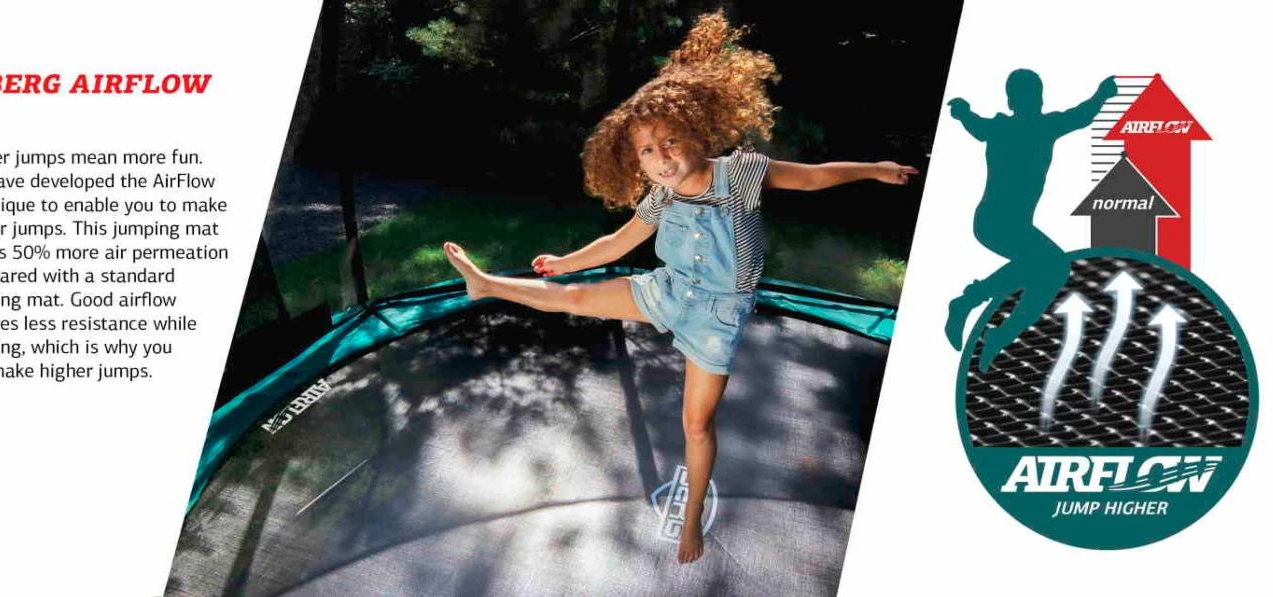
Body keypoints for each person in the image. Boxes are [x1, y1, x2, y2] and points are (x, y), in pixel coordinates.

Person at [443, 10, 916, 564]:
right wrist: (567, 262)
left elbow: (812, 177)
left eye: (670, 142)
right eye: (647, 151)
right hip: (669, 288)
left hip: (718, 314)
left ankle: (691, 520)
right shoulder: (662, 195)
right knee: (575, 297)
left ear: (696, 133)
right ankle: (485, 285)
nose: (661, 158)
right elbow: (618, 243)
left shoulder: (739, 174)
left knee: (697, 423)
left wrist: (872, 168)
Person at [944, 70, 1117, 371]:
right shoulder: (1017, 127)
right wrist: (1102, 95)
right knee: (1054, 265)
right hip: (994, 223)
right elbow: (1081, 115)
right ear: (1013, 101)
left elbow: (1081, 116)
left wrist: (962, 111)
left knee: (1046, 270)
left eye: (1037, 96)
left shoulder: (1030, 126)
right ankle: (972, 307)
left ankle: (991, 328)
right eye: (1029, 96)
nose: (1035, 102)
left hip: (1011, 226)